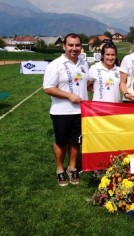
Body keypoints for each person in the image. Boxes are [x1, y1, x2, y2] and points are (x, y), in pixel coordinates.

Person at [43, 33, 89, 186]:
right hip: (61, 111)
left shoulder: (83, 63)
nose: (74, 48)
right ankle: (60, 169)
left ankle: (72, 167)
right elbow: (48, 88)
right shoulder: (55, 64)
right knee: (61, 142)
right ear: (64, 46)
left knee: (76, 141)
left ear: (80, 47)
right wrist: (69, 96)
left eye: (77, 45)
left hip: (81, 111)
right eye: (71, 45)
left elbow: (86, 83)